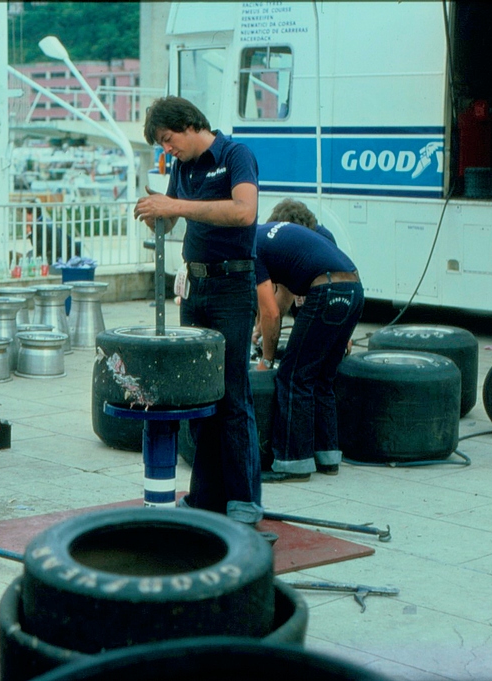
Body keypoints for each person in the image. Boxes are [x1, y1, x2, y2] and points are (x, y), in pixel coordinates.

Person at [133, 96, 263, 527]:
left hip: (231, 285)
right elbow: (170, 219)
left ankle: (244, 500)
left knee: (232, 392)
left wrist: (176, 207)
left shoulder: (234, 155)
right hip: (196, 286)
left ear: (189, 125)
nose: (167, 150)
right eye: (162, 145)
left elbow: (245, 212)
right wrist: (155, 211)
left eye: (168, 140)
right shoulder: (183, 168)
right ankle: (206, 496)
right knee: (199, 391)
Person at [254, 201, 364, 481]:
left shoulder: (250, 247)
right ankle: (327, 457)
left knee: (293, 377)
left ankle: (294, 462)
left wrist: (266, 360)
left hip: (325, 290)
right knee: (322, 378)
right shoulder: (287, 237)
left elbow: (271, 311)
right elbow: (284, 296)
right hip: (355, 289)